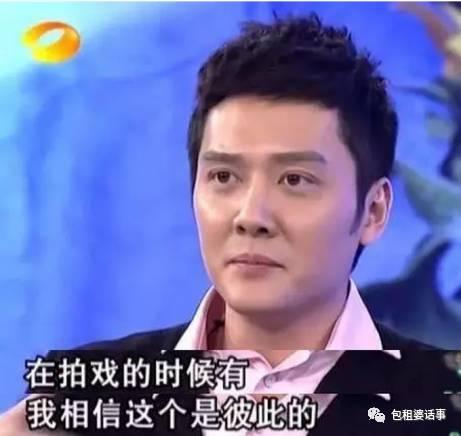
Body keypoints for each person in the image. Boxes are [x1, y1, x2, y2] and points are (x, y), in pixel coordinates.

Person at [1, 12, 460, 436]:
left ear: (374, 211)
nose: (251, 216)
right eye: (223, 177)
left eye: (295, 180)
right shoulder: (82, 402)